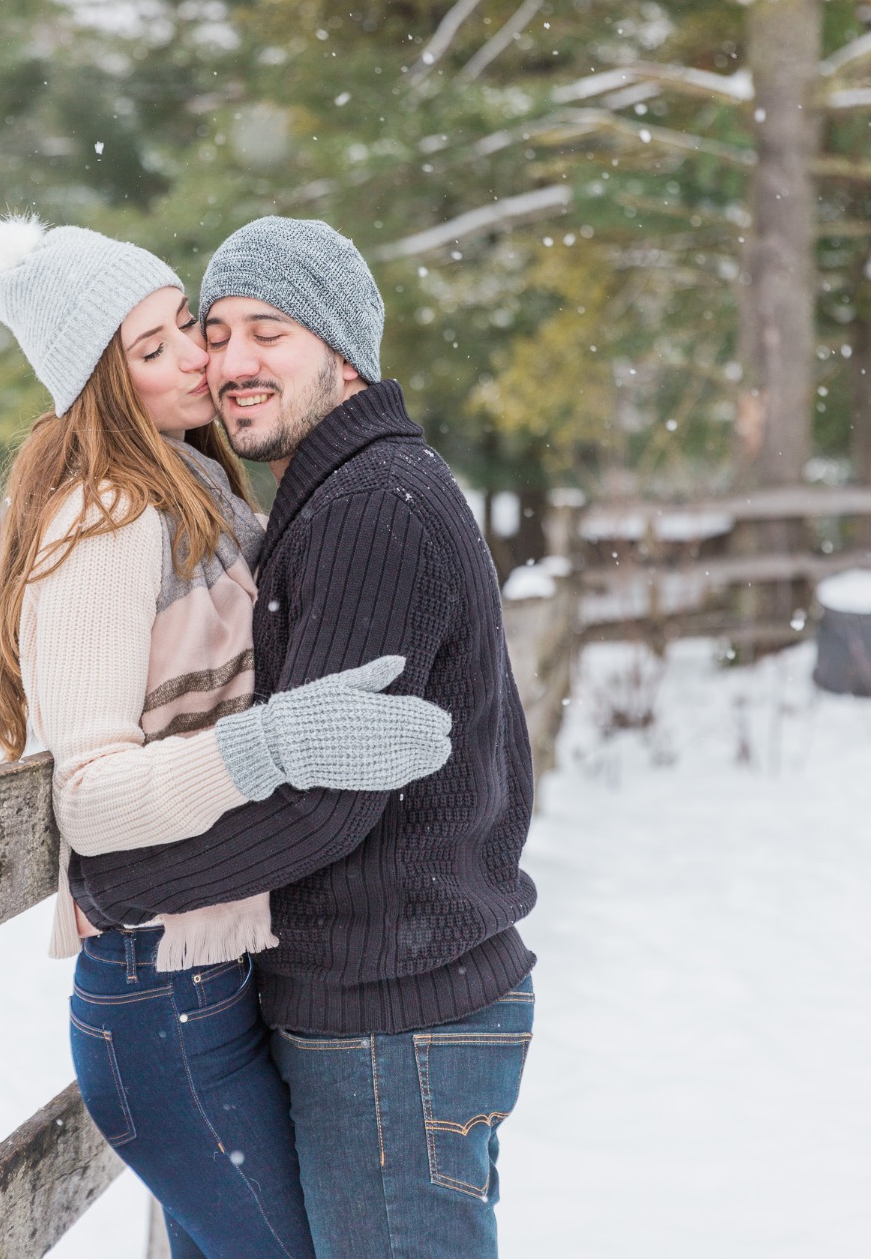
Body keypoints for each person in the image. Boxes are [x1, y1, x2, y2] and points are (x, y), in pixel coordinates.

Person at [0, 214, 452, 1259]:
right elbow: (88, 797)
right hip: (157, 991)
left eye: (184, 322)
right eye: (154, 349)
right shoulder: (105, 520)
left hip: (212, 975)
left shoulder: (199, 496)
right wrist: (271, 746)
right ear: (102, 387)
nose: (201, 355)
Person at [71, 217, 538, 1259]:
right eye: (218, 331)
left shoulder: (369, 505)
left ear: (343, 347)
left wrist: (120, 884)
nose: (232, 363)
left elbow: (322, 801)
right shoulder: (341, 491)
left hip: (392, 1022)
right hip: (385, 1002)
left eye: (268, 332)